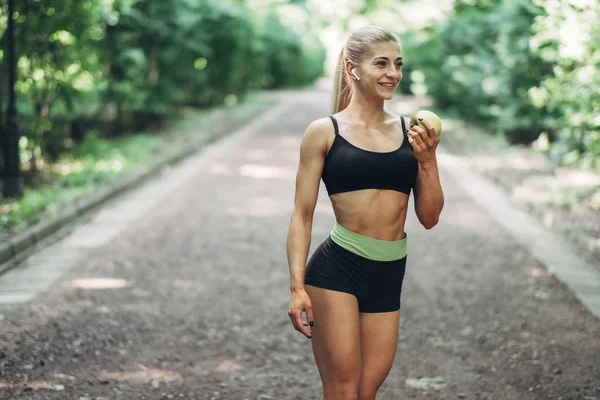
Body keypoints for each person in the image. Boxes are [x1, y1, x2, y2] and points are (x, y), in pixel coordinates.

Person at [285, 26, 444, 400]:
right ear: (352, 67)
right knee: (342, 390)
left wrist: (429, 162)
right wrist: (296, 288)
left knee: (366, 390)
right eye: (382, 63)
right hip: (336, 270)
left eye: (398, 64)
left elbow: (430, 217)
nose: (393, 73)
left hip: (389, 271)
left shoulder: (411, 131)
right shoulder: (324, 132)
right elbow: (302, 214)